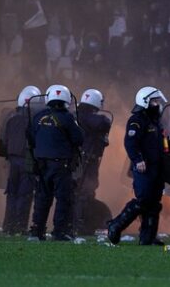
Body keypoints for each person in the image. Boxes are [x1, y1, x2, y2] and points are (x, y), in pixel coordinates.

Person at [108, 86, 168, 246]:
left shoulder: (156, 121)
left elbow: (161, 143)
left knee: (154, 204)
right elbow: (130, 142)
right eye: (155, 101)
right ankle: (116, 225)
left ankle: (148, 238)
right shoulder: (137, 120)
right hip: (144, 167)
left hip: (157, 168)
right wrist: (137, 159)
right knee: (143, 200)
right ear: (146, 101)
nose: (158, 104)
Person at [29, 84, 84, 241]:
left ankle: (37, 231)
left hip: (41, 164)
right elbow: (78, 139)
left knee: (42, 198)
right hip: (60, 165)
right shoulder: (67, 118)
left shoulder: (38, 117)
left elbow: (31, 138)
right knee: (63, 198)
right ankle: (59, 231)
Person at [2, 85, 41, 235]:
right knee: (25, 194)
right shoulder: (35, 120)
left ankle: (8, 225)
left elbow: (4, 141)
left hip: (13, 161)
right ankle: (20, 225)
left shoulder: (11, 119)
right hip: (28, 160)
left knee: (12, 193)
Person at [74, 88, 112, 234]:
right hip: (86, 161)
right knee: (84, 191)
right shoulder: (87, 117)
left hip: (79, 160)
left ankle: (79, 223)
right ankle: (80, 224)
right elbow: (103, 122)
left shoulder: (75, 115)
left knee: (81, 191)